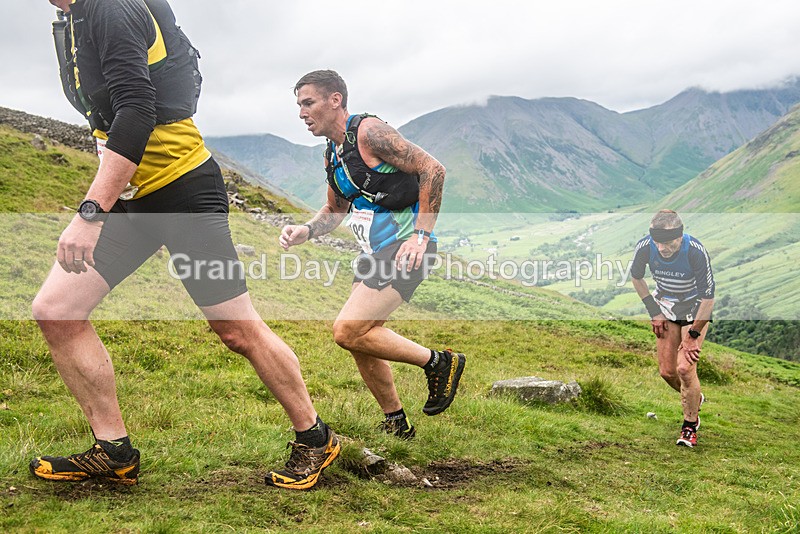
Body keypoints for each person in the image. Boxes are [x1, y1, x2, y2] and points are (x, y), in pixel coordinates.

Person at [30, 0, 338, 490]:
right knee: (56, 311)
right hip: (133, 199)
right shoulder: (75, 19)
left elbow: (137, 109)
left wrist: (90, 213)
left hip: (183, 191)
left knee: (236, 330)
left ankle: (316, 437)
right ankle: (113, 451)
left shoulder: (110, 9)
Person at [280, 70, 466, 440]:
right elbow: (335, 210)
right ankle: (396, 423)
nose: (301, 112)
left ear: (335, 100)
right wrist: (306, 230)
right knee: (364, 336)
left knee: (347, 330)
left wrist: (420, 236)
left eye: (308, 102)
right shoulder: (333, 152)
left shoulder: (368, 132)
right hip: (374, 252)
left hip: (407, 248)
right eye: (298, 104)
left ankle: (440, 362)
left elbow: (433, 169)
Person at [630, 210, 715, 448]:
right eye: (659, 243)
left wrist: (693, 337)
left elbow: (708, 298)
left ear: (680, 236)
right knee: (668, 372)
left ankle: (689, 426)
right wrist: (654, 312)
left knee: (685, 367)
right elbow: (636, 277)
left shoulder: (695, 251)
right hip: (666, 305)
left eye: (668, 243)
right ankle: (694, 397)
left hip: (694, 306)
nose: (663, 248)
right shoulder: (646, 246)